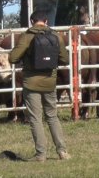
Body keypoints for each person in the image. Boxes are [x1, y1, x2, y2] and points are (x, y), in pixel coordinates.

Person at [9, 10, 70, 161]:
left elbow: (12, 57)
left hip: (31, 83)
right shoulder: (56, 36)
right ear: (46, 21)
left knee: (36, 118)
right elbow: (65, 59)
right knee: (52, 117)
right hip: (50, 81)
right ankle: (62, 151)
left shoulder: (27, 36)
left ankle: (41, 154)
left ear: (32, 21)